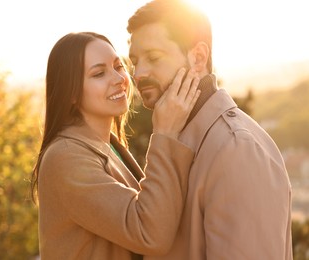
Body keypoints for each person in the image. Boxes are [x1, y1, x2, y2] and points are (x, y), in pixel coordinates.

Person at [127, 0, 293, 259]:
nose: (138, 73)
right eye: (134, 61)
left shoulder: (237, 149)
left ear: (198, 57)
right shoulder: (177, 137)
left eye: (153, 57)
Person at [30, 31, 201, 259]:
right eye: (99, 73)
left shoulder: (106, 143)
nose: (119, 78)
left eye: (118, 66)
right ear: (70, 92)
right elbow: (149, 233)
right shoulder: (65, 157)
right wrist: (165, 133)